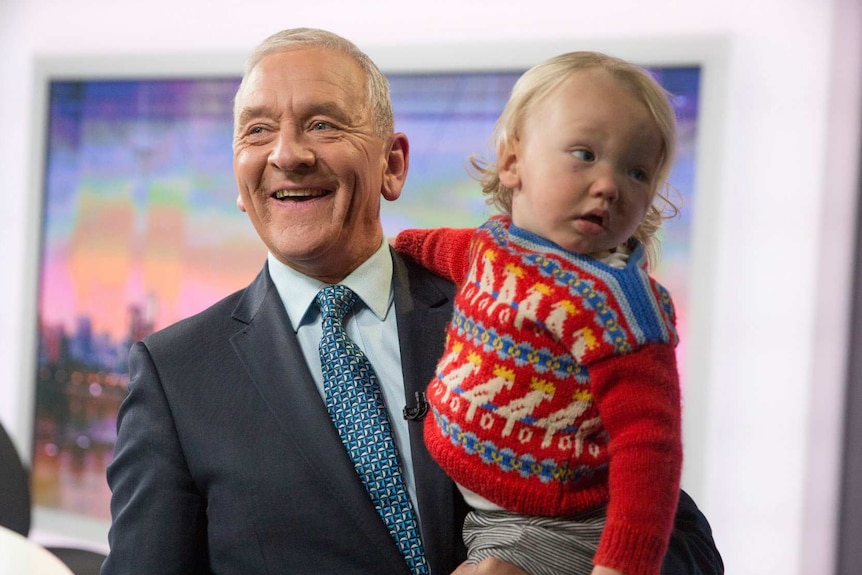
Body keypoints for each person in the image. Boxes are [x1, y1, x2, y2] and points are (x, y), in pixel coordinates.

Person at [101, 28, 723, 575]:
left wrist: (546, 569)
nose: (286, 154)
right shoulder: (175, 375)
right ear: (240, 178)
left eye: (322, 123)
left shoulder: (512, 309)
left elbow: (685, 546)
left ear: (393, 166)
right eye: (258, 130)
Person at [393, 51, 689, 575]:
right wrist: (398, 245)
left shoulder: (621, 306)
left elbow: (650, 448)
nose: (609, 184)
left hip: (558, 526)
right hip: (485, 513)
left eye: (637, 171)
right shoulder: (497, 245)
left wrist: (622, 567)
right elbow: (449, 249)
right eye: (584, 153)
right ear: (512, 162)